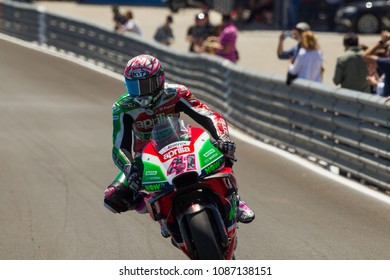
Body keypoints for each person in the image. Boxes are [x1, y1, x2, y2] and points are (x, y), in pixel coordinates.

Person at [103, 54, 255, 237]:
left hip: (181, 143)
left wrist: (222, 138)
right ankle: (161, 213)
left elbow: (208, 115)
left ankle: (235, 199)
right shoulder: (122, 107)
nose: (140, 92)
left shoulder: (176, 93)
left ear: (159, 80)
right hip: (146, 157)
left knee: (222, 150)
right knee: (113, 196)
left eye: (145, 85)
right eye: (133, 86)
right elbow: (119, 147)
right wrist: (130, 169)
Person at [363, 30, 390, 97]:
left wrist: (382, 41)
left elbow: (365, 56)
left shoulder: (387, 63)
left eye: (388, 51)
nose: (387, 53)